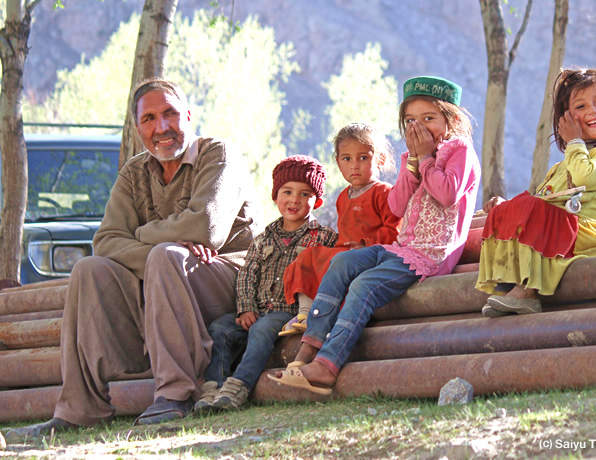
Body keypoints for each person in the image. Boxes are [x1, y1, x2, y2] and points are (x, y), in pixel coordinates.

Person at [4, 78, 262, 438]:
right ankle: (80, 409)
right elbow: (106, 240)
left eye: (170, 114)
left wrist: (142, 234)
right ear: (138, 127)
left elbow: (205, 228)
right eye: (150, 118)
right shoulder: (134, 172)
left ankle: (176, 394)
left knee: (165, 257)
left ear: (188, 115)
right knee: (90, 269)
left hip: (232, 280)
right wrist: (158, 247)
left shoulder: (217, 153)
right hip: (163, 278)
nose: (162, 127)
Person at [268, 76, 481, 394]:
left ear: (451, 119)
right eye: (411, 120)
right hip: (402, 248)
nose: (420, 127)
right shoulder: (416, 159)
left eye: (429, 119)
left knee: (364, 284)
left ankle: (326, 367)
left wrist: (424, 159)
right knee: (342, 264)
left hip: (431, 254)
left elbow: (447, 194)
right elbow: (396, 205)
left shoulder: (459, 151)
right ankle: (306, 352)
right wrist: (412, 166)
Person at [476, 67, 596, 317]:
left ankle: (527, 293)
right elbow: (541, 199)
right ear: (565, 120)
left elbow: (584, 176)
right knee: (509, 207)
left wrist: (573, 142)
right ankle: (509, 277)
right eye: (580, 107)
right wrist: (507, 207)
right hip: (557, 228)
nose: (592, 110)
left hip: (582, 231)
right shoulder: (562, 165)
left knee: (532, 208)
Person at [193, 155, 337, 412]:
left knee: (261, 330)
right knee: (219, 329)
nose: (294, 200)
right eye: (287, 192)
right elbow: (247, 274)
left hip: (290, 311)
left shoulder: (324, 238)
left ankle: (238, 386)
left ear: (318, 201)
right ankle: (213, 387)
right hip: (257, 309)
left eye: (305, 194)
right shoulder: (262, 239)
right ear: (275, 196)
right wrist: (246, 307)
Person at [278, 122, 402, 336]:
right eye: (347, 159)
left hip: (369, 255)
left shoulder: (384, 192)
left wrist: (365, 245)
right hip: (343, 253)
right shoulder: (343, 197)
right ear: (338, 162)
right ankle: (306, 314)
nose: (354, 165)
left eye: (363, 158)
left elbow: (395, 230)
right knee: (309, 257)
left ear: (380, 159)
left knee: (338, 265)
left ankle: (329, 314)